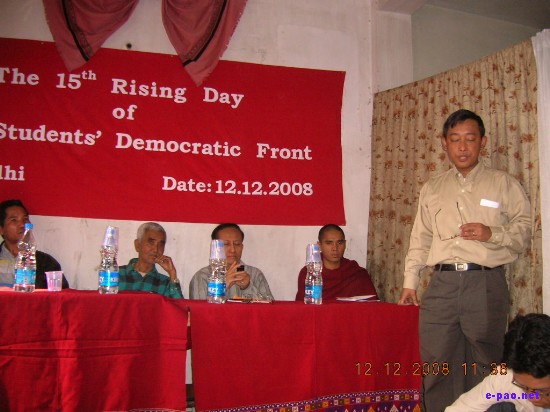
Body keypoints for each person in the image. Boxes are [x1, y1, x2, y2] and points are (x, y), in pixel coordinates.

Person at [398, 109, 532, 411]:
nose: (462, 147)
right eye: (455, 139)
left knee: (486, 362)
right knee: (437, 364)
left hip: (485, 282)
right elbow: (420, 237)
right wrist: (410, 281)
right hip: (441, 284)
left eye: (470, 139)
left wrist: (492, 233)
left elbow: (524, 231)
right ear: (444, 143)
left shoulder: (503, 184)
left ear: (482, 142)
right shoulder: (432, 187)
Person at [446, 313, 550, 412]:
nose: (532, 397)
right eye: (524, 387)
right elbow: (460, 408)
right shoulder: (507, 375)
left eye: (542, 391)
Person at [189, 223, 273, 300]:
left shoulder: (255, 274)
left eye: (237, 244)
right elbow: (199, 310)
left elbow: (270, 308)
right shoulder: (202, 277)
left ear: (242, 247)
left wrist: (247, 287)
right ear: (215, 248)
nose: (232, 250)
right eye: (226, 244)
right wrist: (221, 286)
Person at [295, 224, 378, 301]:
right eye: (329, 243)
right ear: (319, 245)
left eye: (340, 243)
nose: (335, 248)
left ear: (345, 244)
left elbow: (372, 307)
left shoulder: (356, 273)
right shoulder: (309, 273)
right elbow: (303, 308)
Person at [0, 199, 69, 289]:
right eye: (14, 220)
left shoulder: (46, 262)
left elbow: (62, 294)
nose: (22, 225)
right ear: (1, 229)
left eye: (25, 219)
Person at [118, 222, 183, 298]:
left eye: (161, 245)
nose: (156, 249)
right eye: (151, 243)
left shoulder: (164, 283)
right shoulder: (116, 275)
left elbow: (178, 305)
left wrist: (172, 273)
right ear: (137, 245)